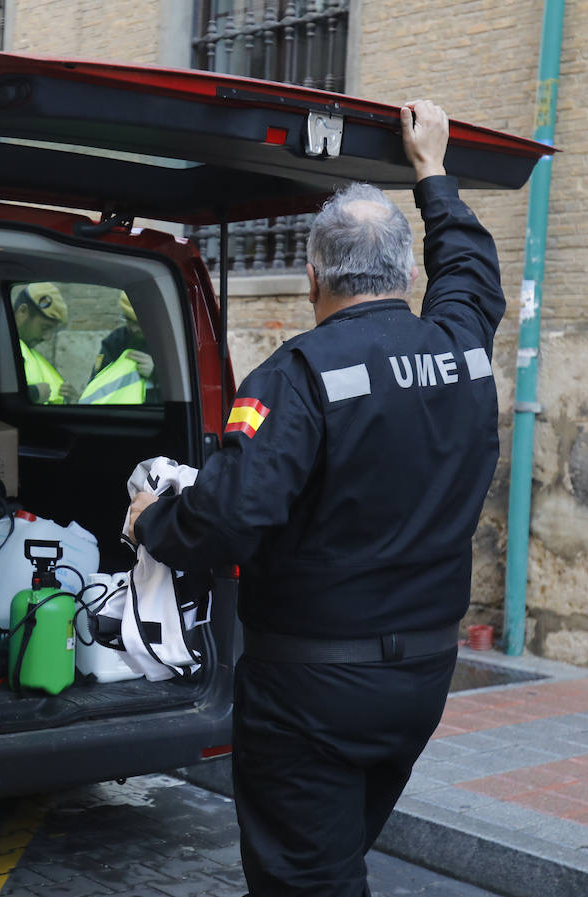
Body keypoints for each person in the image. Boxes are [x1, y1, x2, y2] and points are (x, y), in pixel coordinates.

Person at [127, 101, 502, 897]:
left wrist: (153, 522)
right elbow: (471, 269)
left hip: (310, 694)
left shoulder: (297, 378)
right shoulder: (462, 350)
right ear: (404, 274)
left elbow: (230, 515)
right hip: (422, 679)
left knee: (306, 879)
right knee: (333, 858)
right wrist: (432, 170)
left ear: (311, 276)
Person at [0, 282, 77, 406]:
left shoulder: (25, 351)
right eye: (44, 328)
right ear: (23, 311)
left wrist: (70, 400)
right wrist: (34, 393)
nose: (47, 337)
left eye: (51, 331)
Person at [78, 292, 159, 405]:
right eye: (129, 320)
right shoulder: (115, 341)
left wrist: (156, 373)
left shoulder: (172, 342)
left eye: (140, 323)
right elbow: (96, 382)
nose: (134, 329)